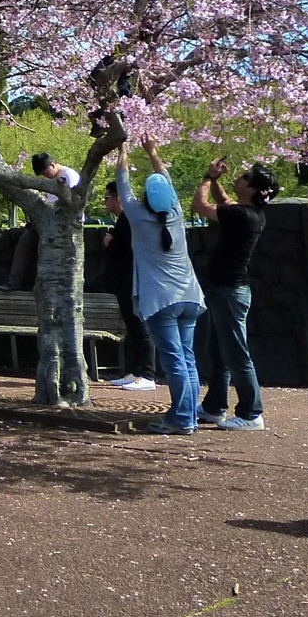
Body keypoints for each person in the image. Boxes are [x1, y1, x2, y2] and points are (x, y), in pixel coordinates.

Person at [116, 139, 205, 435]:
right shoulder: (177, 214)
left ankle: (182, 419)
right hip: (191, 297)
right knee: (187, 359)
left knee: (175, 361)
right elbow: (166, 181)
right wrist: (153, 152)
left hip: (161, 300)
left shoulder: (138, 217)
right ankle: (187, 415)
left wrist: (123, 151)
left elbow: (122, 184)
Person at [192, 157, 278, 430]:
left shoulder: (241, 215)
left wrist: (207, 177)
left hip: (230, 291)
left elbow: (199, 206)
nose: (239, 178)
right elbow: (226, 201)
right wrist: (217, 182)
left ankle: (252, 413)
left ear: (252, 189)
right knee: (219, 351)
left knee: (237, 354)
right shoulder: (248, 213)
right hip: (226, 290)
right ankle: (214, 407)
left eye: (244, 177)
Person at [100, 179, 158, 393]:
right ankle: (135, 371)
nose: (106, 203)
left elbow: (130, 249)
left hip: (132, 280)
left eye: (107, 198)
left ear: (117, 199)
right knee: (132, 328)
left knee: (140, 326)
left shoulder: (130, 220)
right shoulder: (124, 220)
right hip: (123, 282)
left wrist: (110, 242)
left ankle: (149, 374)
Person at [7, 153, 81, 289]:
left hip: (66, 221)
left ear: (52, 165)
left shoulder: (68, 176)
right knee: (25, 241)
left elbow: (71, 204)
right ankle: (14, 281)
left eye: (45, 173)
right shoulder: (51, 179)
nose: (45, 177)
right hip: (49, 219)